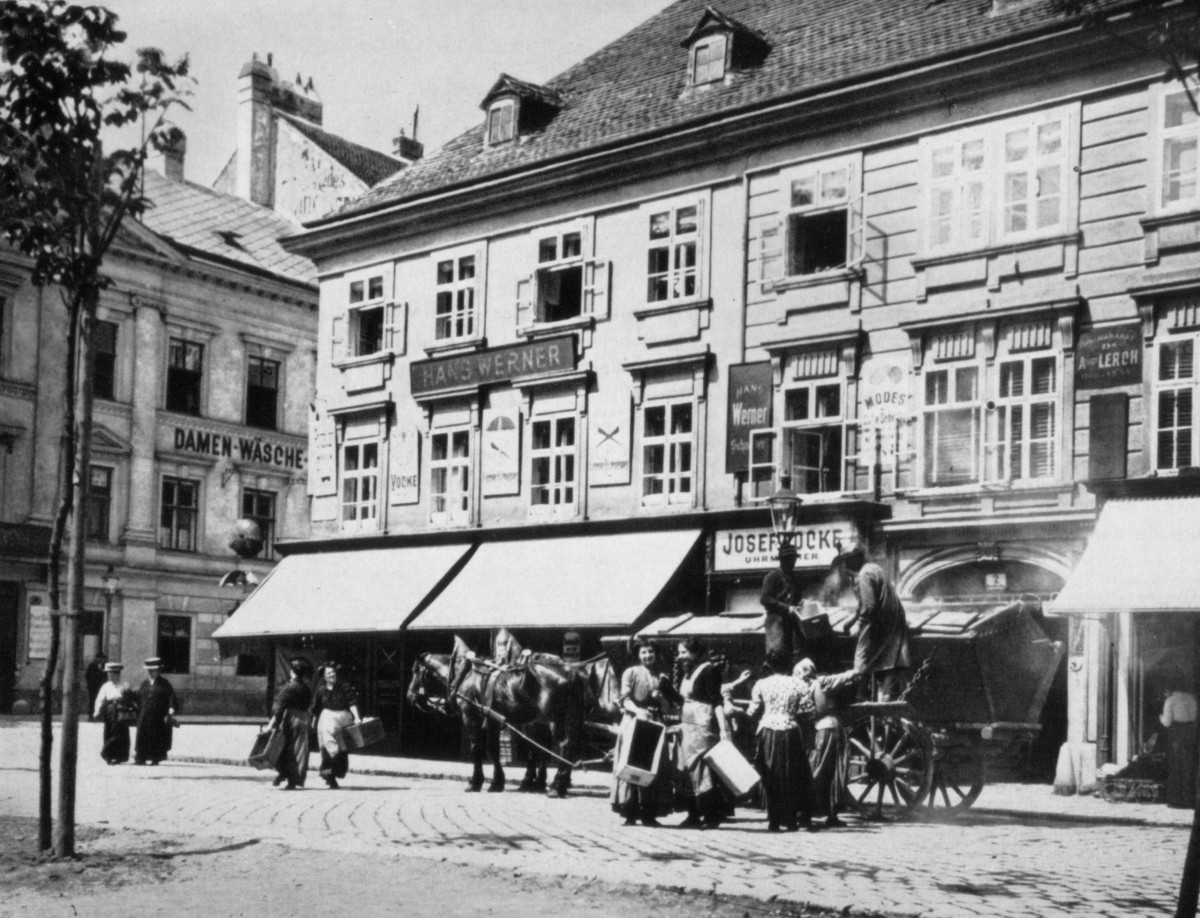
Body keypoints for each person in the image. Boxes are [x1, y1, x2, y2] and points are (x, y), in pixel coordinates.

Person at [659, 638, 731, 829]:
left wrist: (723, 729)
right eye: (679, 653)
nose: (680, 657)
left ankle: (710, 815)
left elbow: (716, 702)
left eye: (683, 652)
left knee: (701, 770)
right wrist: (666, 689)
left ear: (695, 653)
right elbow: (682, 701)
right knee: (686, 769)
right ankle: (693, 814)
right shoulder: (688, 672)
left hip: (702, 727)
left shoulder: (709, 670)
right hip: (687, 727)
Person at [746, 649, 813, 832]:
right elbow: (808, 711)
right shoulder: (799, 684)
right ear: (789, 664)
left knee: (770, 773)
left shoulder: (761, 684)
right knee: (792, 774)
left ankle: (774, 819)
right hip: (791, 731)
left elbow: (752, 711)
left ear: (769, 664)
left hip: (768, 730)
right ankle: (791, 820)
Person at [835, 541, 910, 701]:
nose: (847, 565)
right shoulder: (874, 568)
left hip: (882, 623)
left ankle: (861, 695)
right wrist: (853, 618)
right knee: (890, 661)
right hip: (893, 621)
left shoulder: (864, 574)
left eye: (848, 560)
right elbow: (865, 603)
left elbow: (869, 606)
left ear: (855, 558)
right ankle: (883, 694)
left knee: (862, 656)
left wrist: (859, 625)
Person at [610, 641, 672, 827]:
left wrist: (661, 699)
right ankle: (629, 812)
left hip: (654, 722)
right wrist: (638, 711)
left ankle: (649, 813)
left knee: (651, 765)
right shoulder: (631, 673)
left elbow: (668, 705)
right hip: (634, 721)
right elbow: (624, 699)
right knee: (633, 763)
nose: (647, 656)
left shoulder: (662, 676)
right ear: (638, 655)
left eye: (651, 652)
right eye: (644, 652)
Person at [794, 658, 857, 828]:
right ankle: (830, 814)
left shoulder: (812, 684)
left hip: (823, 729)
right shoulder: (819, 682)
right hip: (828, 728)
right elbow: (840, 679)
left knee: (817, 769)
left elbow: (820, 710)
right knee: (831, 772)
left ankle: (805, 813)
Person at [311, 662, 362, 789]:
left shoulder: (344, 687)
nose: (332, 675)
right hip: (326, 719)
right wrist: (313, 721)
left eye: (333, 672)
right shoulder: (321, 690)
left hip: (342, 718)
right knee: (326, 748)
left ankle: (337, 770)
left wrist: (356, 717)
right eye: (329, 673)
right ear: (324, 676)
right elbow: (316, 708)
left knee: (340, 747)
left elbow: (352, 703)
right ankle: (329, 777)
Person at [268, 657, 314, 790]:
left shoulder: (289, 687)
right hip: (304, 719)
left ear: (292, 672)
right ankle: (292, 778)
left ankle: (285, 775)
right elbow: (309, 704)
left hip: (290, 718)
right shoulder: (306, 687)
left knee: (282, 747)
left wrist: (274, 724)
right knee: (300, 750)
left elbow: (280, 707)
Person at [760, 542, 806, 669]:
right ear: (782, 560)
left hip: (792, 623)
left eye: (793, 559)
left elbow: (797, 600)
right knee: (776, 657)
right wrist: (786, 608)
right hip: (776, 623)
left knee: (795, 657)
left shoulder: (795, 578)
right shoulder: (772, 576)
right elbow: (764, 599)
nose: (792, 562)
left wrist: (800, 604)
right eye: (788, 559)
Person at [1160, 678, 1198, 809]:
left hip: (1177, 736)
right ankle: (1189, 799)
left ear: (1169, 690)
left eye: (1165, 692)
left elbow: (1167, 722)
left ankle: (1176, 800)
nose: (1164, 694)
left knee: (1175, 766)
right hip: (1191, 734)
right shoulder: (1192, 698)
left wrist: (1160, 718)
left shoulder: (1170, 701)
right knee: (1189, 766)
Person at [134, 657, 178, 766]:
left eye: (153, 671)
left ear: (158, 671)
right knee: (142, 736)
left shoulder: (165, 684)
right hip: (144, 716)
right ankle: (141, 758)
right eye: (149, 671)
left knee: (157, 737)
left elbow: (171, 697)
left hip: (158, 716)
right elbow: (138, 698)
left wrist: (171, 709)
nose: (151, 673)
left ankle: (155, 758)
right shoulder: (144, 684)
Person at [93, 661, 134, 765]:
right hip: (109, 712)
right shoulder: (106, 686)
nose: (110, 676)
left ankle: (120, 756)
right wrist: (97, 711)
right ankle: (108, 756)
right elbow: (100, 699)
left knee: (121, 735)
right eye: (108, 674)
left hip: (121, 713)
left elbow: (131, 699)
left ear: (118, 674)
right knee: (109, 732)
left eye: (112, 674)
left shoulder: (125, 685)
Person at [85, 651, 107, 721]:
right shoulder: (91, 666)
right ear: (97, 658)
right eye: (99, 658)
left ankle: (99, 716)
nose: (101, 660)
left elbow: (105, 676)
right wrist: (89, 684)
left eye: (102, 658)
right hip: (93, 688)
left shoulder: (104, 666)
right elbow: (86, 676)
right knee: (92, 702)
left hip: (101, 688)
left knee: (100, 701)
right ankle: (91, 716)